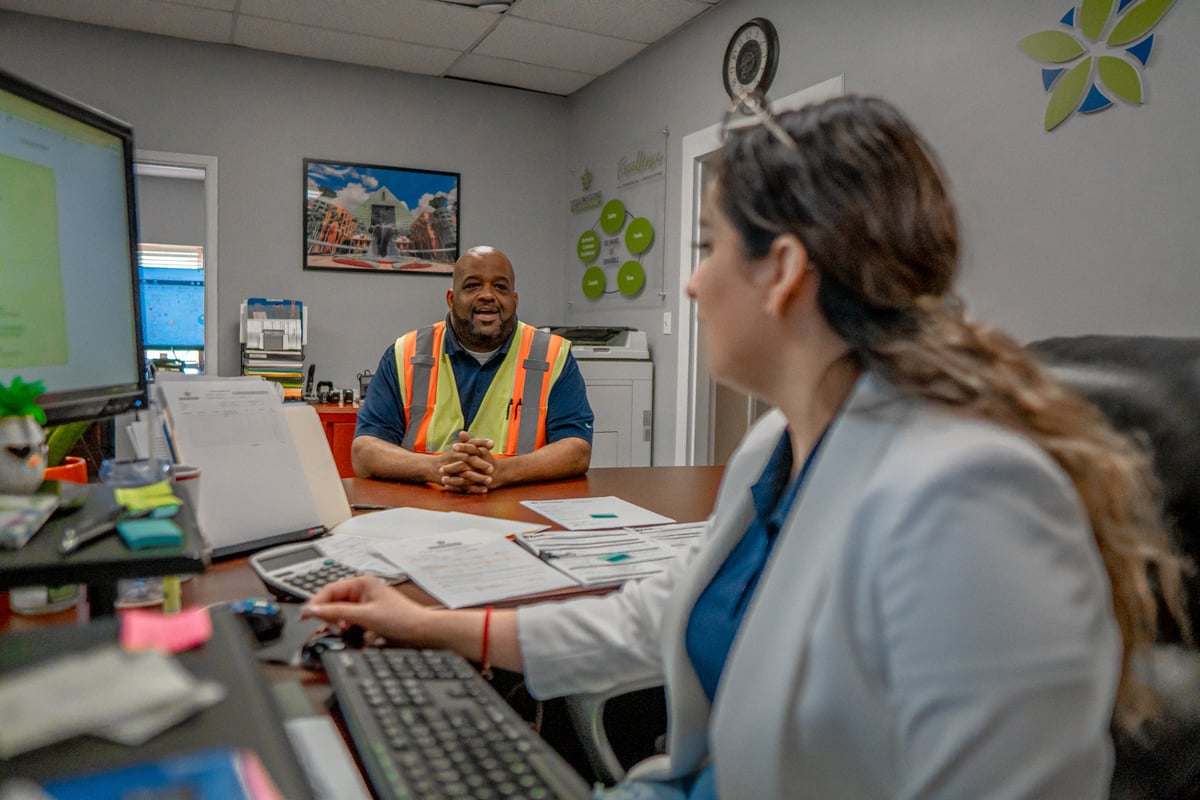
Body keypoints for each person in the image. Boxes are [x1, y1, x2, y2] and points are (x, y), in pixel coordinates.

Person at [303, 94, 1189, 798]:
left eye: (709, 247)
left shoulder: (973, 508)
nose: (689, 281)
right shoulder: (778, 449)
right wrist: (431, 626)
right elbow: (657, 615)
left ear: (787, 272)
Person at [353, 245, 593, 493]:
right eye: (472, 286)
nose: (487, 295)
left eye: (500, 287)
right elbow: (365, 451)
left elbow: (576, 450)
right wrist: (436, 468)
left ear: (515, 300)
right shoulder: (406, 353)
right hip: (426, 513)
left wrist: (500, 472)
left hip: (519, 512)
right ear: (451, 299)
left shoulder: (552, 355)